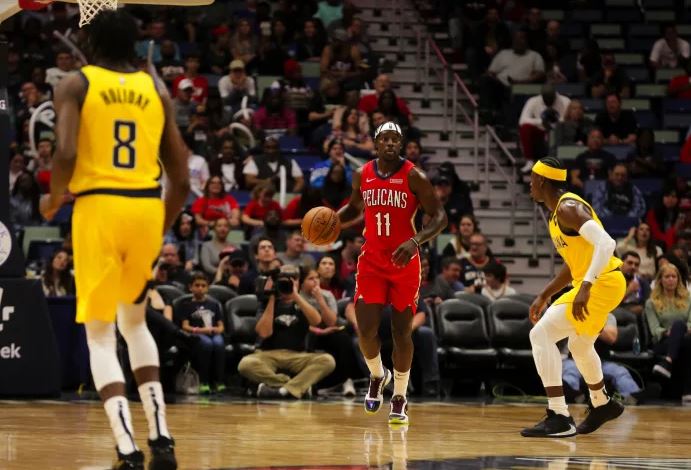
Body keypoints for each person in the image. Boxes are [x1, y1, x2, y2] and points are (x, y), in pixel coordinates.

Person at [39, 10, 189, 469]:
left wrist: (52, 198)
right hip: (146, 206)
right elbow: (181, 179)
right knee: (136, 323)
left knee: (100, 335)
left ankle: (127, 448)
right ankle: (162, 437)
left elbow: (64, 152)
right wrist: (156, 225)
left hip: (99, 206)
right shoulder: (155, 89)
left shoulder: (76, 83)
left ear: (91, 42)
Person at [337, 121, 447, 425]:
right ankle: (377, 375)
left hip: (404, 261)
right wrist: (333, 220)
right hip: (372, 260)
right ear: (375, 143)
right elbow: (353, 208)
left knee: (402, 332)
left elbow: (440, 217)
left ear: (401, 144)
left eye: (395, 139)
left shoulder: (415, 176)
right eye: (384, 138)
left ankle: (399, 396)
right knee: (366, 330)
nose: (389, 143)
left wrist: (415, 241)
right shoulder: (363, 174)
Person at [522, 157, 626, 438]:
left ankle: (559, 416)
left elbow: (607, 243)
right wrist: (545, 294)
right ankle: (602, 403)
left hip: (602, 282)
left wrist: (585, 287)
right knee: (579, 345)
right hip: (604, 282)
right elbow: (576, 262)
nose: (529, 185)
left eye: (531, 179)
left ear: (542, 181)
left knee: (540, 335)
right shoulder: (557, 215)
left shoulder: (568, 208)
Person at [237, 265, 336, 398]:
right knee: (245, 364)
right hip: (268, 354)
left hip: (298, 356)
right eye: (283, 280)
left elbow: (316, 321)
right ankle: (292, 386)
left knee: (328, 361)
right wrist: (272, 297)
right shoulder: (265, 303)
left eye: (293, 279)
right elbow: (264, 333)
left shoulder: (303, 303)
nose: (287, 283)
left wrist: (295, 295)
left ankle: (280, 390)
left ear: (298, 282)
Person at [645, 265, 691, 396]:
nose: (671, 279)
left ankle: (667, 363)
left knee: (682, 332)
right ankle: (687, 392)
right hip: (663, 342)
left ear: (678, 279)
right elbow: (655, 329)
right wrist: (668, 332)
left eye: (674, 276)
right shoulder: (651, 303)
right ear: (660, 280)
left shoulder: (688, 299)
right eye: (667, 276)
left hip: (686, 337)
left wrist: (680, 330)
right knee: (680, 330)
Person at [178, 272, 226, 394]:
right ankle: (204, 381)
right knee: (207, 345)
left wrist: (217, 330)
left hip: (213, 333)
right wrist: (199, 330)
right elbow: (185, 326)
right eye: (197, 285)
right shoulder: (186, 305)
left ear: (208, 287)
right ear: (190, 287)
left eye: (203, 285)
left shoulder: (214, 304)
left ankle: (218, 381)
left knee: (219, 344)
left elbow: (221, 326)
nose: (200, 288)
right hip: (197, 333)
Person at [619, 251, 651, 316]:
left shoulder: (643, 282)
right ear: (621, 263)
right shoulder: (613, 280)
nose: (633, 267)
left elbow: (647, 304)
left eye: (636, 265)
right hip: (618, 312)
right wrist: (628, 291)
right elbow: (610, 306)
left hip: (638, 314)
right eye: (630, 263)